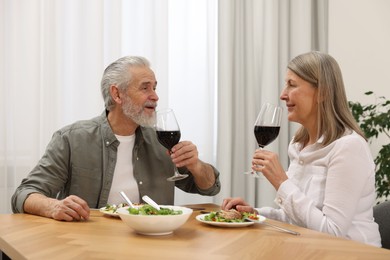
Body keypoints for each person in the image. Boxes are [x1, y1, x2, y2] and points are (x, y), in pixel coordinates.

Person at [11, 56, 221, 221]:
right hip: (88, 244)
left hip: (152, 243)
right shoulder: (71, 139)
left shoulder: (161, 140)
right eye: (145, 87)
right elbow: (24, 194)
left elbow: (209, 187)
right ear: (117, 94)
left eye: (155, 87)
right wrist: (54, 206)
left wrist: (196, 165)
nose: (155, 96)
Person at [222, 51, 381, 247]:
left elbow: (332, 232)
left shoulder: (349, 147)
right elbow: (297, 217)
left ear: (322, 92)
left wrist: (281, 181)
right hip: (310, 249)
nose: (282, 94)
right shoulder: (298, 144)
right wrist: (255, 214)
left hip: (352, 253)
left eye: (292, 84)